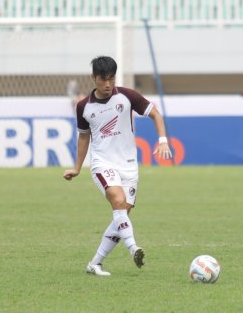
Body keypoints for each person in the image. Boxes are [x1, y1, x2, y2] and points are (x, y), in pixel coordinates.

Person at [63, 56, 172, 277]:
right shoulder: (84, 106)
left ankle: (95, 263)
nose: (107, 84)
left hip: (129, 166)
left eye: (111, 79)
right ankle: (133, 248)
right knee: (118, 201)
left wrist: (163, 140)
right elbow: (83, 137)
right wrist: (77, 167)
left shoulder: (127, 96)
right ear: (93, 78)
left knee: (121, 215)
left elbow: (155, 114)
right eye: (103, 79)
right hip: (103, 163)